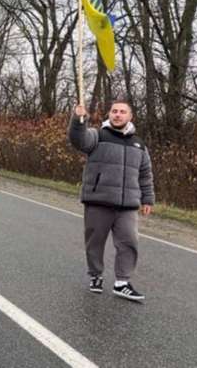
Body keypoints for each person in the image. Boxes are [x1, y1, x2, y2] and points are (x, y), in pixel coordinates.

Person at [68, 100, 155, 301]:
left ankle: (122, 282)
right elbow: (78, 141)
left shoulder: (139, 144)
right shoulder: (97, 136)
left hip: (128, 205)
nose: (118, 115)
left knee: (129, 242)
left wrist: (147, 198)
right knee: (95, 242)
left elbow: (145, 174)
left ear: (130, 116)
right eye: (114, 111)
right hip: (99, 200)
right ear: (110, 114)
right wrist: (79, 120)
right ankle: (96, 275)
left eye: (122, 112)